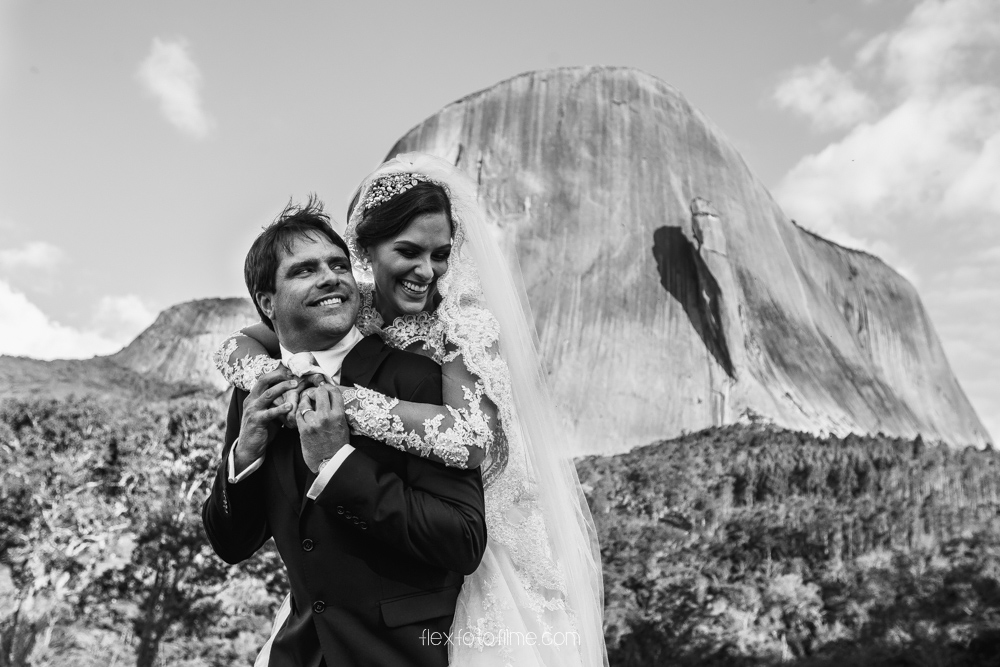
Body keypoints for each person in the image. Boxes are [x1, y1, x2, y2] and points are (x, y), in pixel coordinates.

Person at [216, 153, 608, 666]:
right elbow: (237, 345)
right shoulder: (342, 303)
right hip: (338, 615)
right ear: (366, 252)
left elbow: (470, 441)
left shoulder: (462, 326)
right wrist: (278, 397)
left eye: (440, 254)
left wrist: (342, 407)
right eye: (408, 251)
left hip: (472, 560)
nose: (427, 271)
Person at [202, 198, 488, 667]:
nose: (331, 276)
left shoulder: (415, 378)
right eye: (304, 270)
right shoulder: (259, 391)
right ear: (267, 302)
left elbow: (462, 540)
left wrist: (337, 465)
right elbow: (230, 544)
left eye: (338, 264)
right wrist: (245, 453)